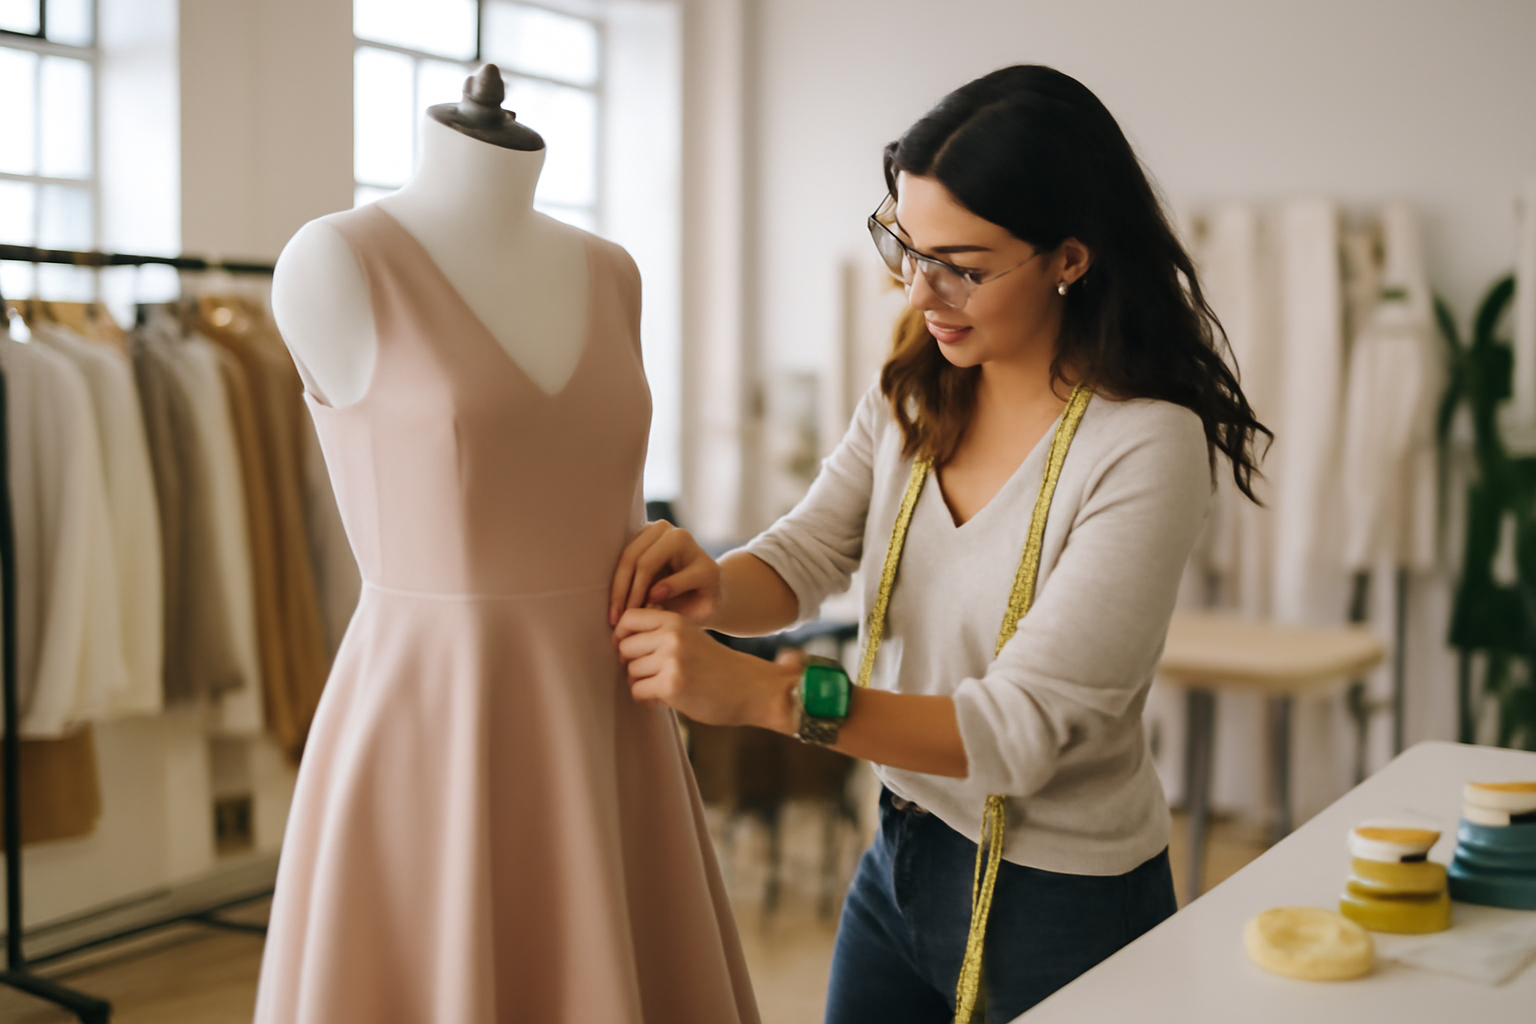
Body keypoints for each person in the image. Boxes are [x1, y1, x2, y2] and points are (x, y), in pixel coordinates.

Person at [609, 64, 1268, 1024]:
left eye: (963, 264)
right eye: (906, 247)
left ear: (1069, 259)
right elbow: (805, 556)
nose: (922, 291)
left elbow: (1016, 732)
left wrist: (759, 694)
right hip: (904, 857)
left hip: (1064, 901)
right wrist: (713, 583)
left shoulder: (1143, 446)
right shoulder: (916, 390)